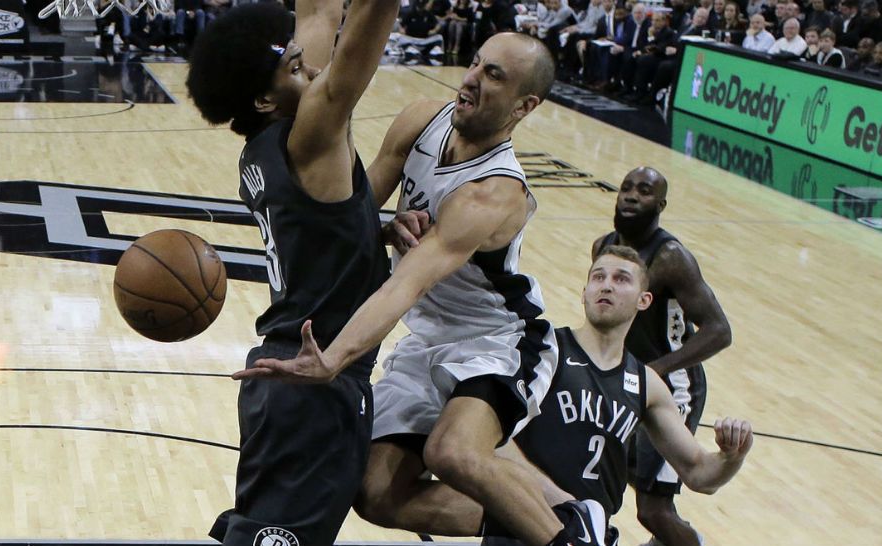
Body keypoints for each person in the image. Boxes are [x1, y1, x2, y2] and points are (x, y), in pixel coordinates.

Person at [235, 32, 610, 546]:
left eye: (494, 75)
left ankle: (566, 539)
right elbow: (353, 213)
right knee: (375, 495)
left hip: (498, 341)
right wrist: (382, 227)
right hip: (427, 340)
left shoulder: (493, 192)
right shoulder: (421, 120)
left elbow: (406, 284)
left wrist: (335, 358)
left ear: (525, 105)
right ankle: (566, 516)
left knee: (452, 452)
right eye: (476, 63)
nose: (473, 78)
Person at [184, 0, 399, 544]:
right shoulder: (311, 134)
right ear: (265, 98)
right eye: (297, 68)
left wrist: (373, 227)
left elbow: (321, 13)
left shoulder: (262, 151)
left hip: (286, 374)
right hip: (314, 379)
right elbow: (359, 36)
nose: (313, 69)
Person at [483, 245, 754, 546]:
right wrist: (564, 506)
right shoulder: (543, 349)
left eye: (621, 279)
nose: (607, 285)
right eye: (598, 277)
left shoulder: (646, 384)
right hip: (521, 531)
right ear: (584, 292)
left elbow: (700, 473)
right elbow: (490, 441)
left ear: (644, 300)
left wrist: (732, 456)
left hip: (588, 536)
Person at [591, 167, 732, 546]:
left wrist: (655, 371)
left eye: (644, 191)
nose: (632, 196)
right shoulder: (604, 247)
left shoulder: (671, 258)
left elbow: (720, 331)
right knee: (599, 485)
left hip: (673, 388)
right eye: (626, 188)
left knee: (653, 509)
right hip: (625, 381)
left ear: (661, 204)